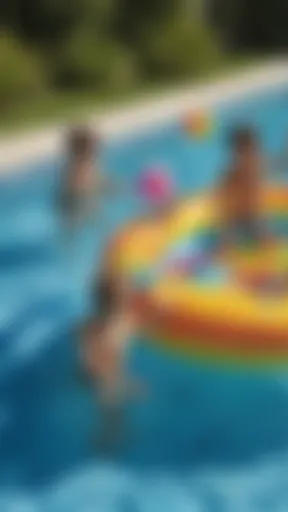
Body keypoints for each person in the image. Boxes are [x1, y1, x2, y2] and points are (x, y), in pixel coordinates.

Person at [80, 258, 140, 452]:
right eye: (126, 290)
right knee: (114, 418)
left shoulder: (91, 323)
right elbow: (107, 366)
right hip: (107, 382)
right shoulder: (119, 327)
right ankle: (107, 441)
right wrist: (124, 383)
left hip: (94, 370)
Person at [216, 125, 288, 247]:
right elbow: (223, 200)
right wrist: (227, 229)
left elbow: (285, 164)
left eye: (253, 151)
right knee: (226, 243)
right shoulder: (231, 174)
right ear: (234, 154)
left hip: (258, 216)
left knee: (270, 240)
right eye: (243, 153)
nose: (248, 158)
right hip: (236, 218)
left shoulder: (260, 163)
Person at [58, 125, 111, 238]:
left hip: (80, 206)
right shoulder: (79, 168)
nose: (99, 147)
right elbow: (79, 191)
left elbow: (99, 181)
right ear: (87, 149)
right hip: (79, 208)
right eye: (95, 144)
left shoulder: (86, 164)